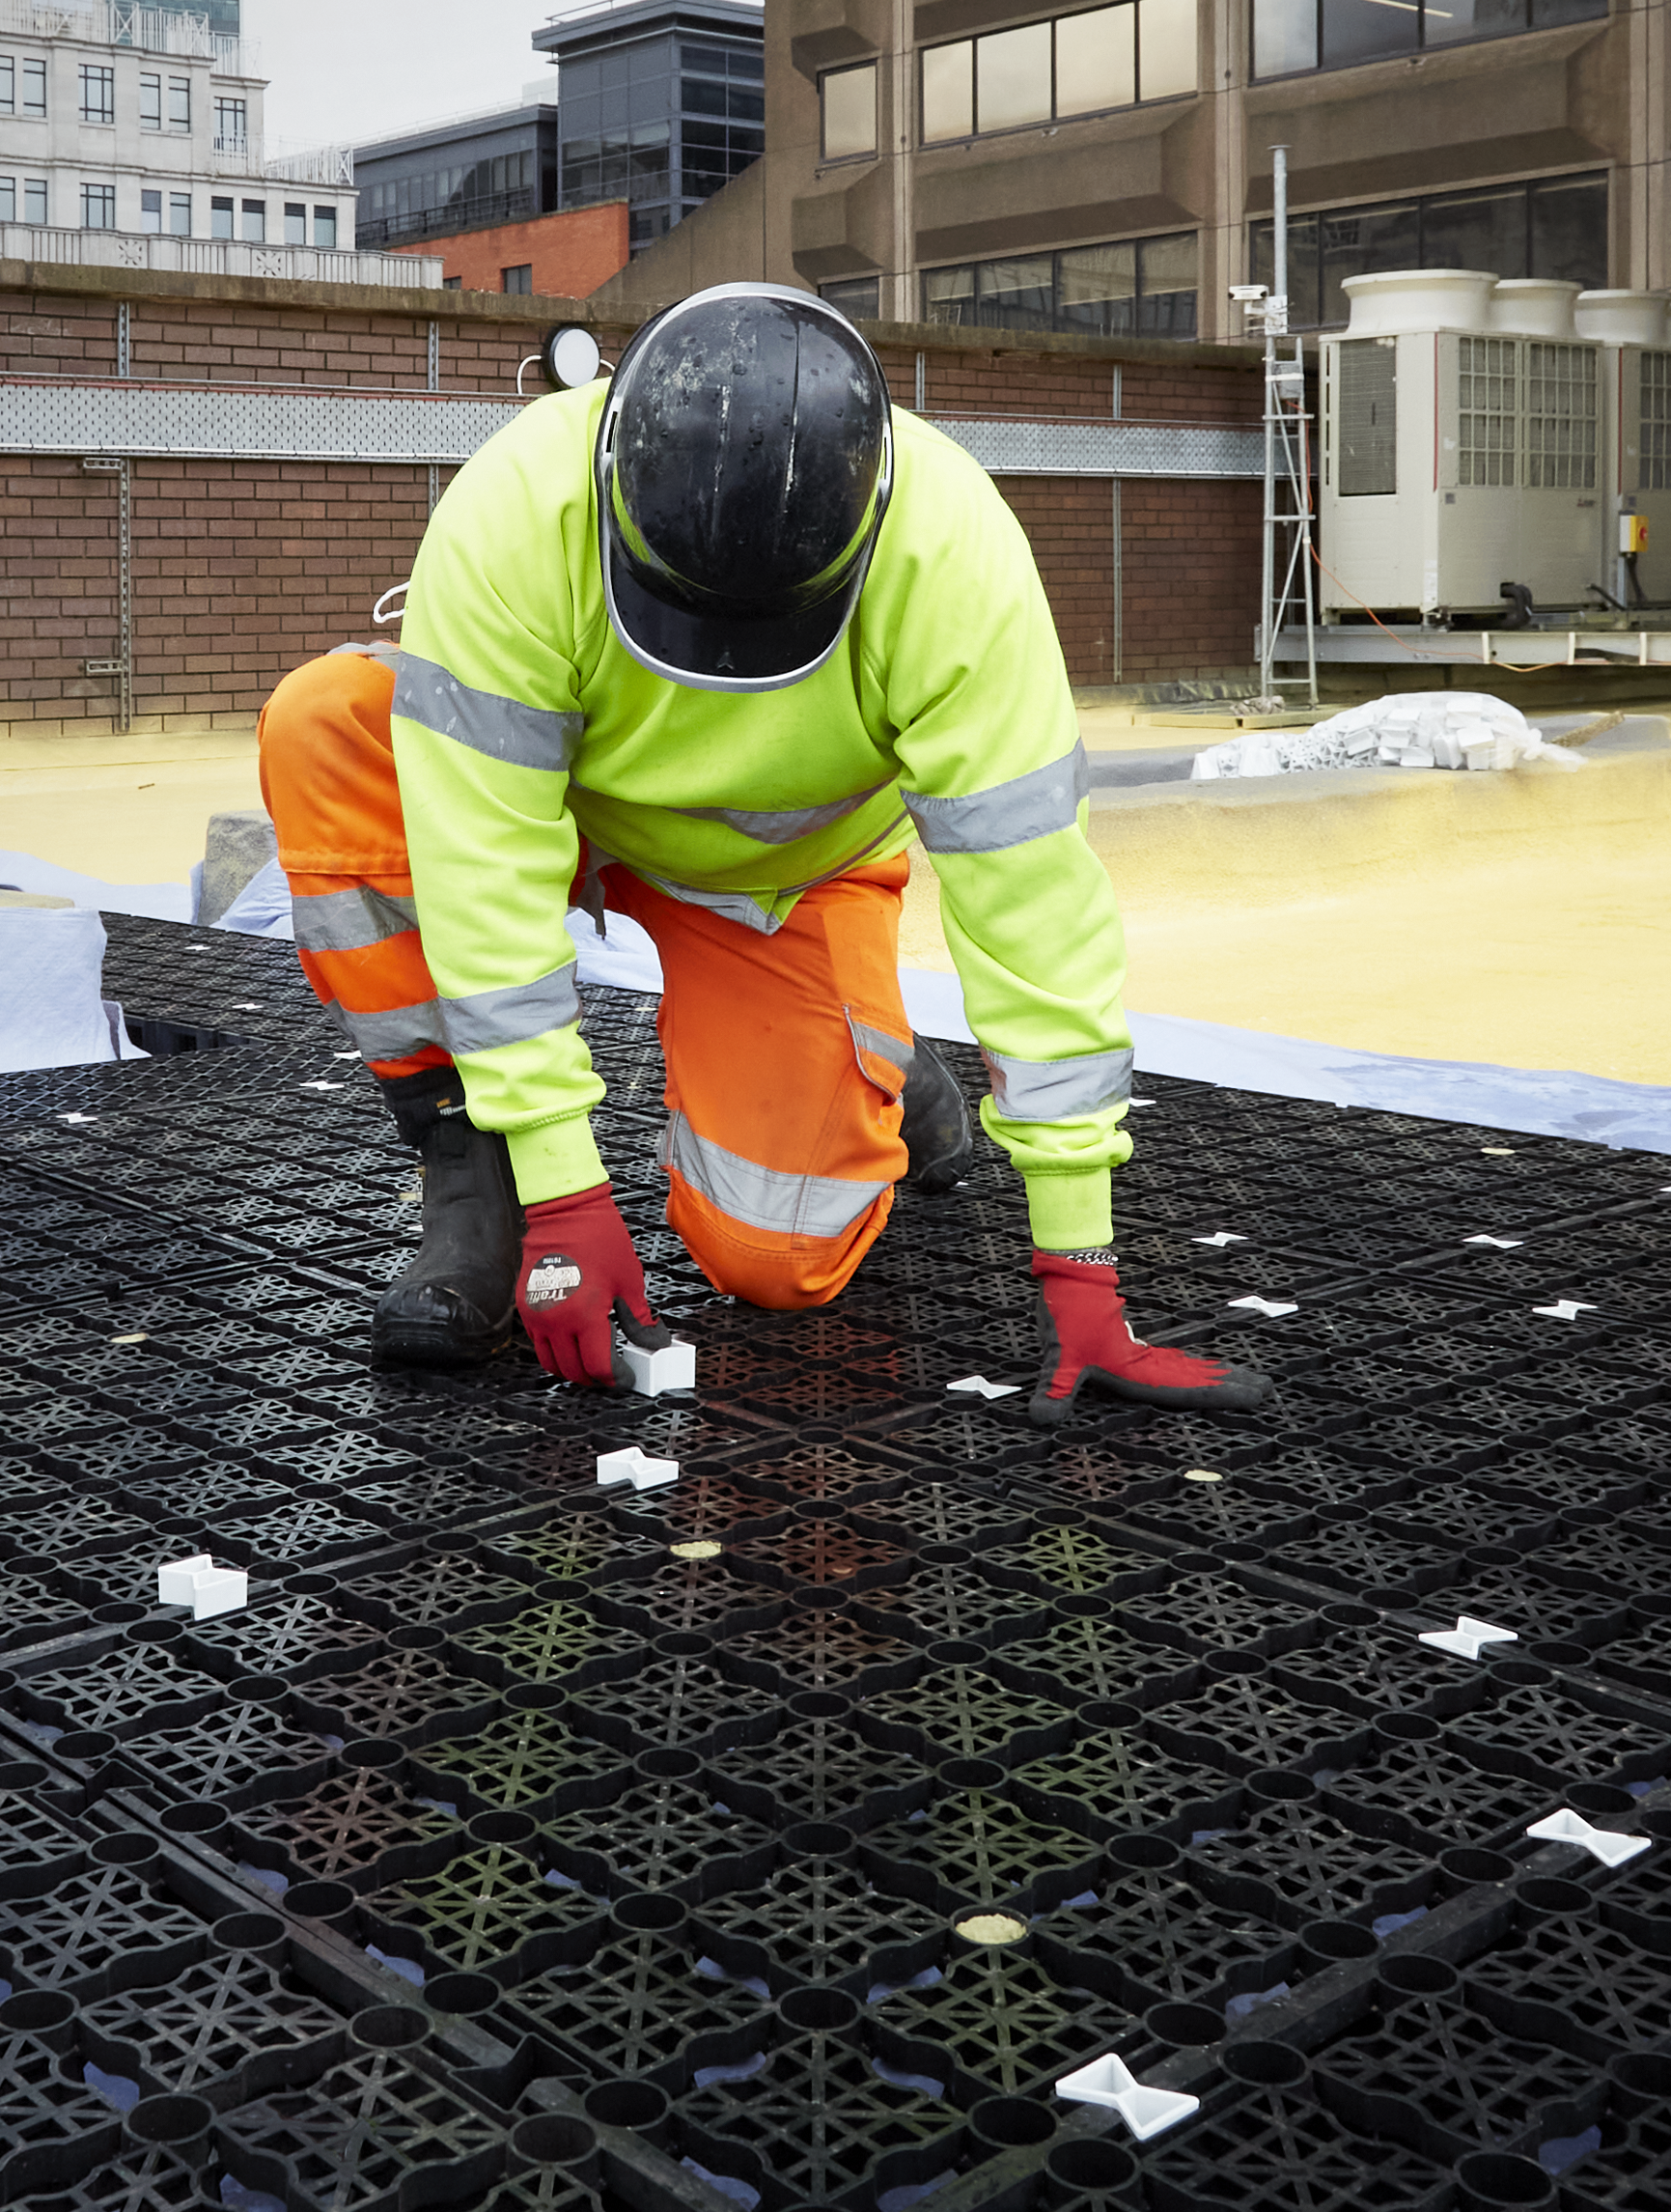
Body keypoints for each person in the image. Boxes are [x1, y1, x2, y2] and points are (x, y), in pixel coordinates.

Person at [253, 282, 1267, 1414]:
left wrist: (1079, 1264)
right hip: (567, 817)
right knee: (327, 724)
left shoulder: (954, 558)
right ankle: (468, 1173)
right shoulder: (515, 510)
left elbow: (1031, 901)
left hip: (783, 882)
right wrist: (560, 1188)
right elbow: (479, 866)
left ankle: (876, 1051)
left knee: (774, 1262)